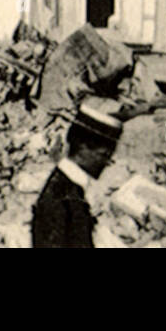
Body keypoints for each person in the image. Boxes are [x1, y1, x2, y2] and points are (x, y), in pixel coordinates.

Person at [32, 104, 122, 248]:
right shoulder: (61, 197)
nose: (107, 163)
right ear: (83, 147)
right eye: (104, 155)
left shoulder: (68, 190)